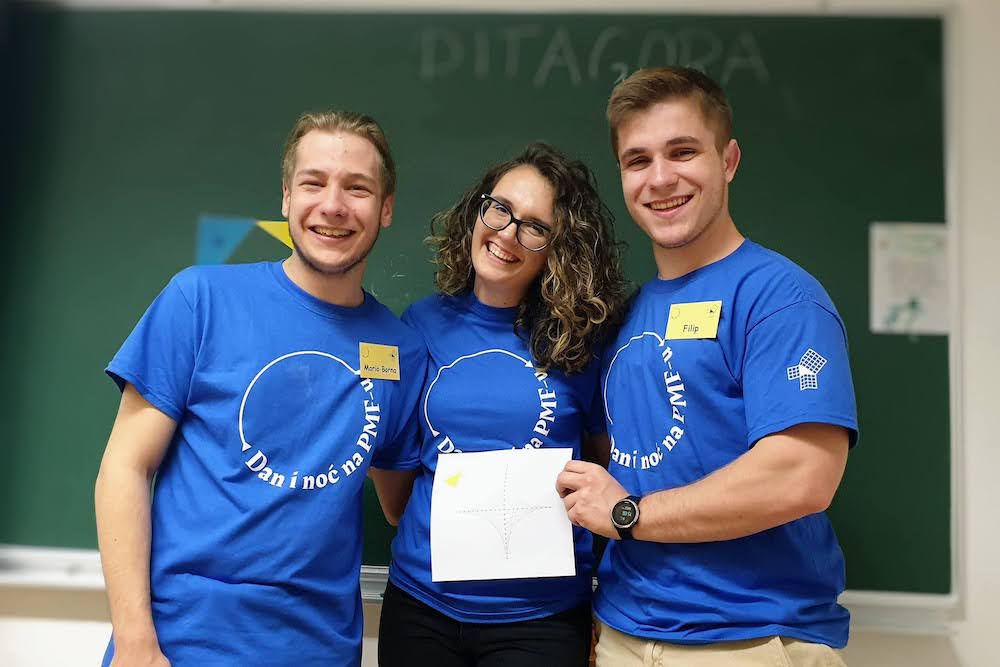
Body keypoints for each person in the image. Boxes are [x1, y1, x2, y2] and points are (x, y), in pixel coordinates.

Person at [94, 110, 426, 666]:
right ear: (286, 197)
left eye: (357, 188)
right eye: (313, 183)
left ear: (386, 208)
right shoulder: (200, 300)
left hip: (318, 651)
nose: (333, 205)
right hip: (178, 646)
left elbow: (402, 505)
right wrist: (135, 643)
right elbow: (124, 468)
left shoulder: (400, 351)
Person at [556, 67, 858, 666]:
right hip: (624, 636)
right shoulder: (628, 315)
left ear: (729, 160)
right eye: (638, 160)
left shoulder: (780, 299)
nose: (660, 178)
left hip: (748, 641)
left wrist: (628, 515)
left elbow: (801, 477)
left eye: (683, 152)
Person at [376, 143, 629, 667]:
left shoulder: (582, 344)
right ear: (478, 211)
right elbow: (396, 495)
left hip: (540, 621)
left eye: (535, 227)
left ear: (559, 249)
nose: (508, 233)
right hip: (421, 608)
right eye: (500, 210)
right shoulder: (419, 326)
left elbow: (606, 470)